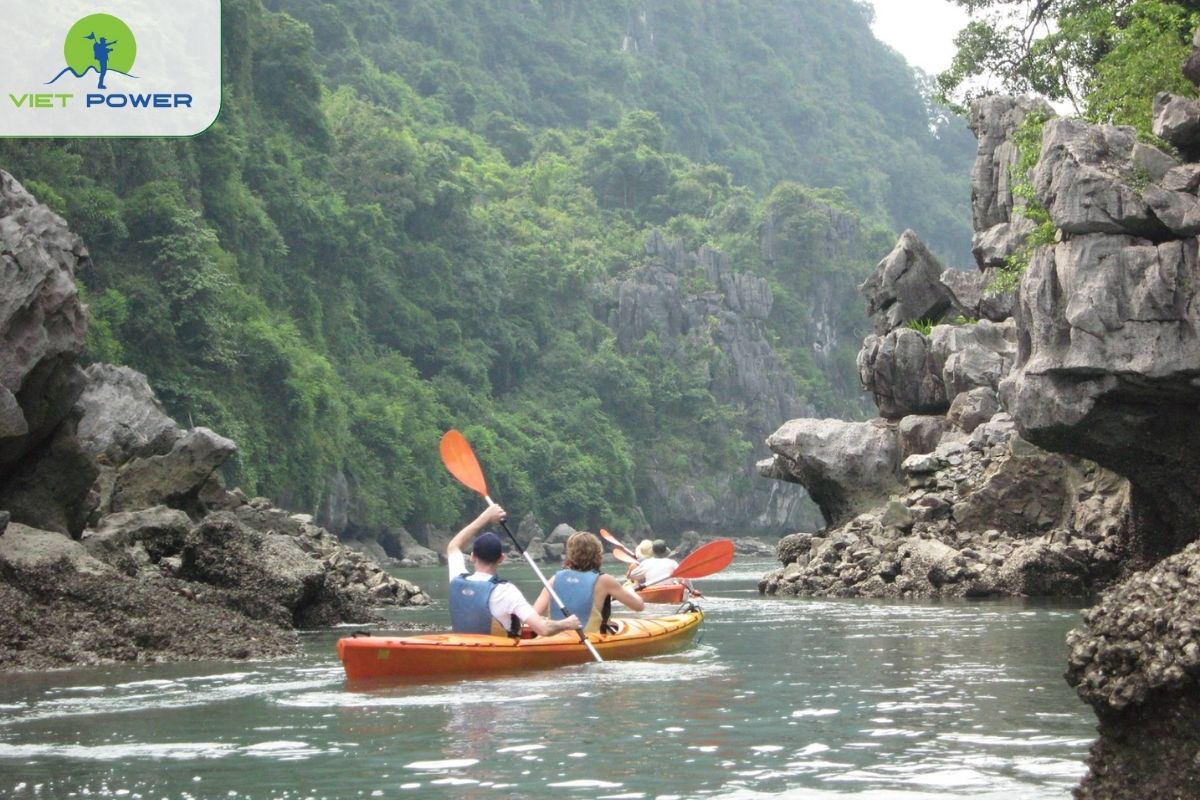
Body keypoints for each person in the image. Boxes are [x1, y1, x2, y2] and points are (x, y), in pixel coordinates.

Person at [445, 504, 580, 638]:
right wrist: (567, 623)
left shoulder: (456, 580)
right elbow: (543, 630)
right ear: (501, 559)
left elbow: (453, 546)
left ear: (473, 556)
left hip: (463, 647)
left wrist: (485, 517)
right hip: (497, 654)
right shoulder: (506, 591)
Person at [533, 532, 644, 633]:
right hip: (587, 640)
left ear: (570, 554)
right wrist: (631, 591)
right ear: (598, 554)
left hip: (556, 639)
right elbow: (639, 606)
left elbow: (533, 615)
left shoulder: (554, 579)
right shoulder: (605, 580)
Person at [631, 539, 703, 598]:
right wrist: (692, 591)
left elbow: (633, 575)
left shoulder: (646, 563)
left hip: (651, 590)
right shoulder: (672, 563)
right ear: (665, 551)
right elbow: (684, 577)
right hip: (670, 591)